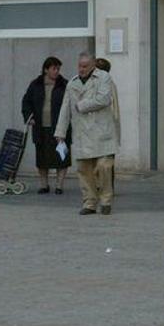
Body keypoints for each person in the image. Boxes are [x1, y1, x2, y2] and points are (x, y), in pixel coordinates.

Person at [55, 52, 119, 215]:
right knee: (84, 169)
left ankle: (106, 200)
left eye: (85, 66)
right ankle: (89, 202)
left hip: (101, 131)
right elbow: (65, 108)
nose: (81, 69)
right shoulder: (72, 83)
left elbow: (103, 99)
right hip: (82, 132)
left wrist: (82, 105)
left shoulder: (103, 78)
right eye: (79, 66)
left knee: (104, 167)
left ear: (92, 66)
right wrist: (60, 131)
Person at [21, 56, 71, 195]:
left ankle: (59, 185)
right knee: (42, 157)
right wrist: (28, 117)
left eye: (58, 69)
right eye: (54, 68)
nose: (57, 71)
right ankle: (44, 184)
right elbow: (26, 102)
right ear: (46, 69)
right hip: (41, 127)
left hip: (60, 128)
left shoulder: (64, 84)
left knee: (62, 156)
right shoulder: (35, 84)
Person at [94, 58, 120, 193]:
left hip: (101, 128)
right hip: (107, 129)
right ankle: (106, 187)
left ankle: (102, 187)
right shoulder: (110, 83)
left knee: (101, 160)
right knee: (106, 161)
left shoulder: (102, 85)